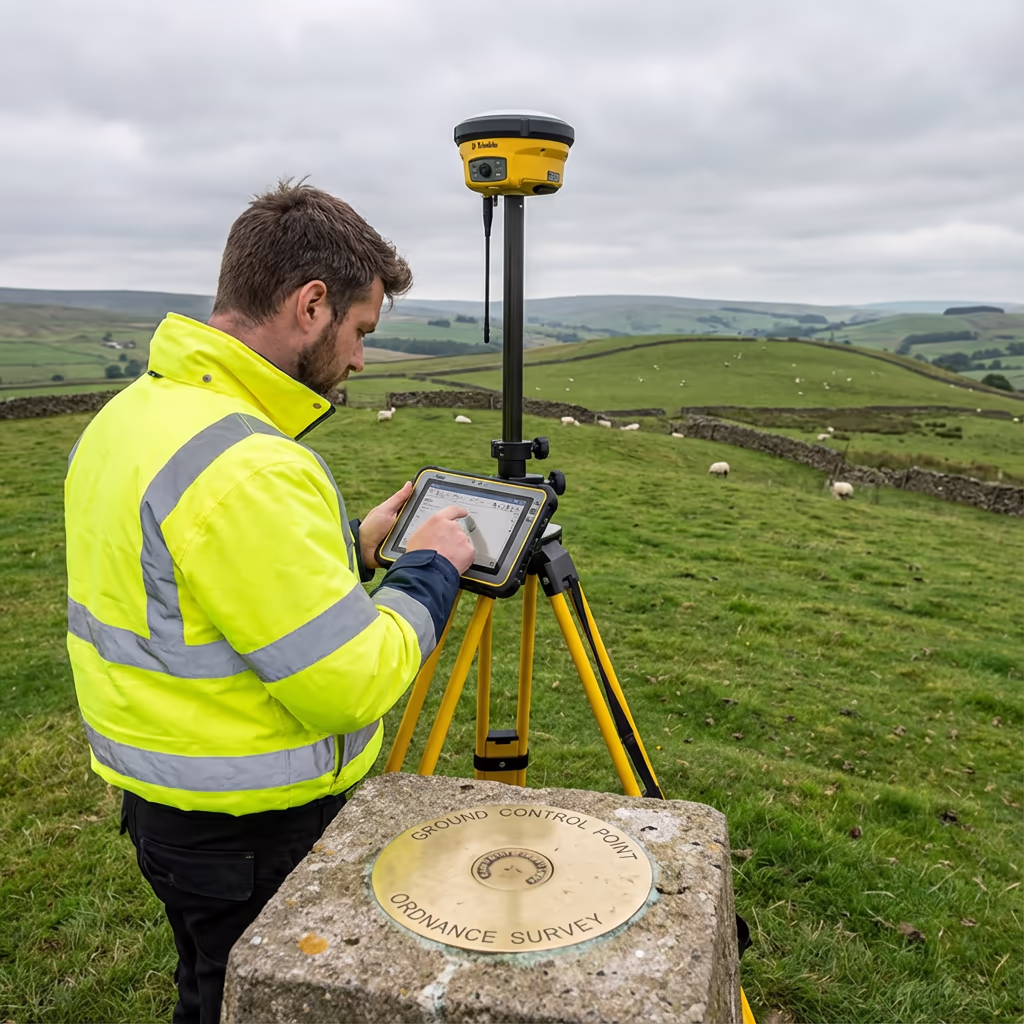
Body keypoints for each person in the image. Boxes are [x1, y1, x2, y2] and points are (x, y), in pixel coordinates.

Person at [64, 181, 475, 1024]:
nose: (360, 359)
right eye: (361, 331)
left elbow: (198, 589)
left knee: (212, 985)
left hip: (168, 805)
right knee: (248, 1004)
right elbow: (346, 684)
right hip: (249, 827)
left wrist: (353, 549)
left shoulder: (136, 416)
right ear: (312, 304)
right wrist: (428, 572)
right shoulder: (248, 463)